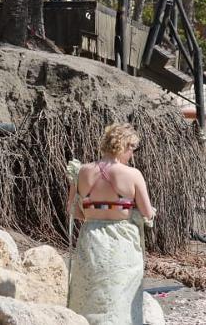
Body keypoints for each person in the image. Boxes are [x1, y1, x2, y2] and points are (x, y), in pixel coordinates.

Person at [67, 123, 156, 325]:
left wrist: (95, 211)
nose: (132, 155)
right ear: (124, 146)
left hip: (91, 237)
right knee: (120, 295)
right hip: (121, 239)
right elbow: (147, 213)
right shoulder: (133, 175)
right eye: (132, 149)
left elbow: (73, 210)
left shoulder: (81, 172)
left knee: (89, 292)